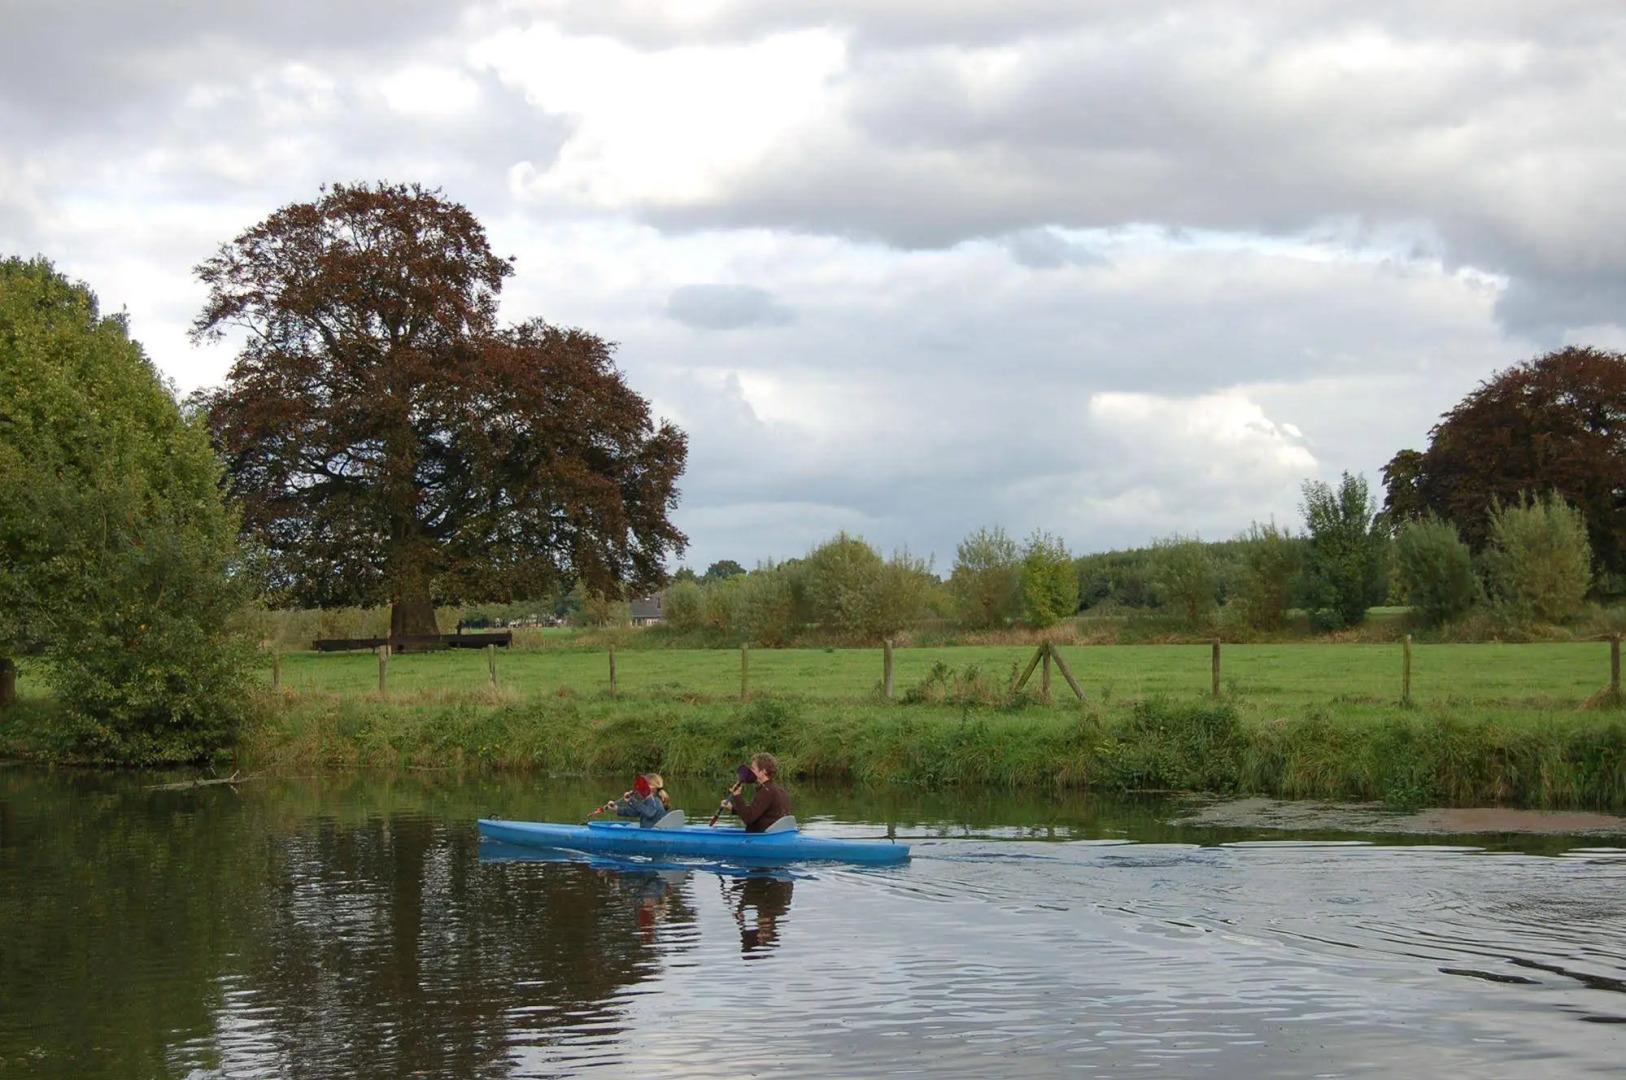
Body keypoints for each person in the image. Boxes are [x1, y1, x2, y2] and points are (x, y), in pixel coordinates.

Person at [722, 752, 790, 833]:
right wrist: (733, 809)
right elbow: (755, 812)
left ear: (763, 771)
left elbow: (748, 818)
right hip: (778, 836)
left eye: (753, 768)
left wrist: (737, 795)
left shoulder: (766, 791)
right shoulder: (779, 789)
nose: (750, 771)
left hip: (764, 839)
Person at [603, 773, 671, 827]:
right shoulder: (648, 801)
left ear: (650, 787)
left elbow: (649, 813)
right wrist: (617, 809)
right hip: (648, 832)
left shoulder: (655, 801)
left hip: (653, 834)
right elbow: (636, 812)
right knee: (616, 826)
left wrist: (631, 800)